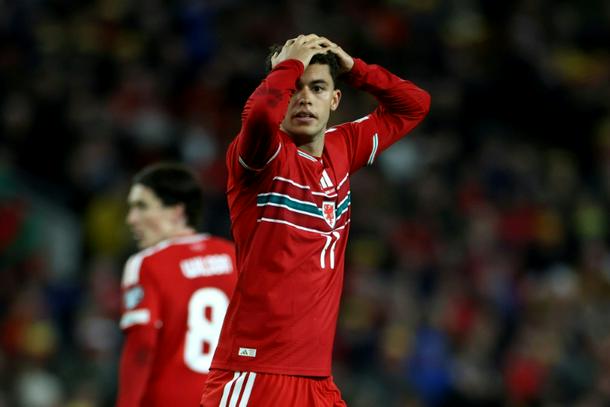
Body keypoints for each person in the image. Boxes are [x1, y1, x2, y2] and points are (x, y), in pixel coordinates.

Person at [200, 34, 431, 406]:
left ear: (334, 99)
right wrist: (287, 65)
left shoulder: (343, 147)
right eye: (293, 88)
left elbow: (415, 106)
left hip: (317, 379)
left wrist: (355, 69)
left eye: (317, 88)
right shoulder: (262, 157)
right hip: (255, 372)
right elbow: (260, 116)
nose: (304, 98)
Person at [116, 162, 238, 407]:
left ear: (176, 211)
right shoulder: (234, 256)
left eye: (142, 206)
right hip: (230, 398)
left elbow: (142, 346)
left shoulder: (145, 264)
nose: (131, 219)